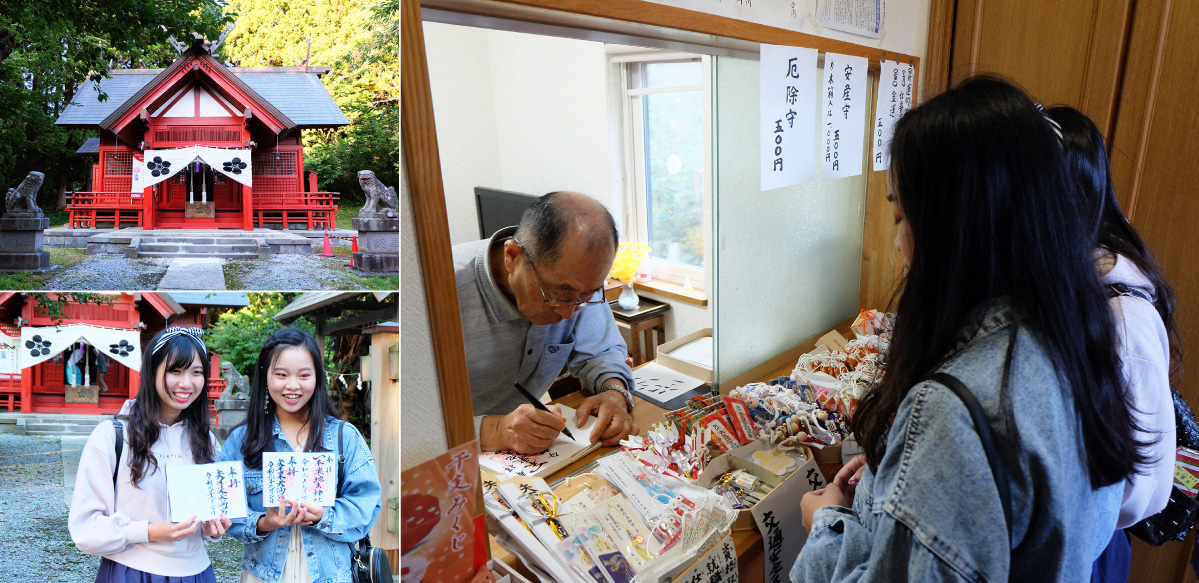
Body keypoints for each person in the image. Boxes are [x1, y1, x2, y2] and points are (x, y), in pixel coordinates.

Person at [791, 76, 1146, 582]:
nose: (898, 245)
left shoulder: (954, 408)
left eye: (900, 217)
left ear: (952, 231)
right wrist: (892, 485)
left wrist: (825, 524)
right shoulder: (1075, 338)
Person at [1047, 105, 1179, 582]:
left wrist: (1074, 516)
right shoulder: (1054, 284)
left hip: (1089, 545)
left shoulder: (1125, 318)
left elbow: (1147, 486)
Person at [454, 191, 638, 454]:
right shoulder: (436, 292)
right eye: (557, 295)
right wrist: (494, 431)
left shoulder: (577, 283)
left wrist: (613, 393)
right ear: (512, 257)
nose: (567, 313)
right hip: (452, 456)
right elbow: (409, 415)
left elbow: (602, 352)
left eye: (587, 295)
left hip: (529, 453)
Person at [68, 326, 231, 583]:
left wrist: (212, 527)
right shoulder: (111, 436)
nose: (186, 383)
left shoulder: (206, 441)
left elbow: (211, 512)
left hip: (196, 573)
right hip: (131, 573)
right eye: (174, 371)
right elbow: (84, 530)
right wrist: (149, 532)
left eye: (196, 372)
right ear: (151, 371)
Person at [220, 328, 381, 583]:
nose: (292, 385)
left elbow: (366, 503)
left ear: (317, 376)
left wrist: (324, 515)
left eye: (304, 375)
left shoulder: (344, 437)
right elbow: (224, 509)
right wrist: (265, 522)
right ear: (265, 374)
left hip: (331, 576)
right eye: (281, 374)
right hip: (261, 576)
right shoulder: (242, 440)